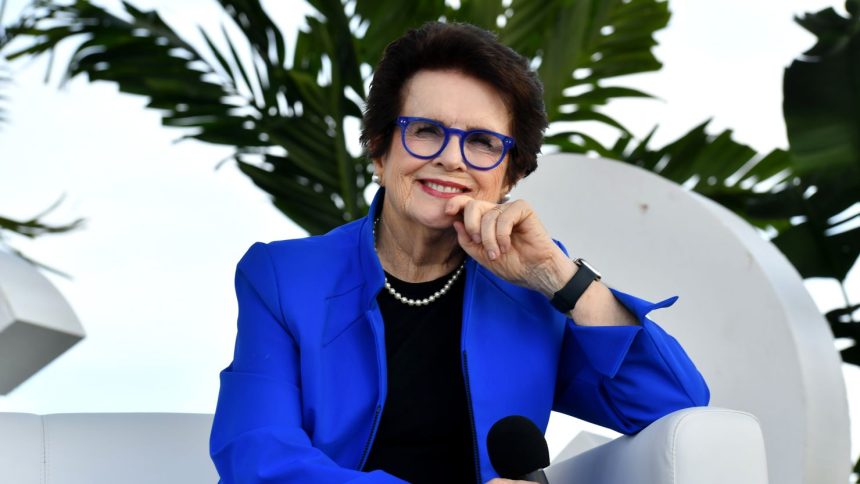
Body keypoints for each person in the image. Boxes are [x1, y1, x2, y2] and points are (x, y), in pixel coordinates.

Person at [210, 21, 709, 484]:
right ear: (381, 153)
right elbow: (256, 455)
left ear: (509, 176)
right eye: (425, 131)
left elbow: (675, 409)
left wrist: (561, 277)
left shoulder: (531, 285)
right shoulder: (283, 277)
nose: (451, 158)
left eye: (482, 141)